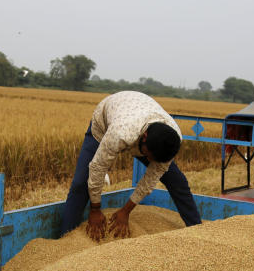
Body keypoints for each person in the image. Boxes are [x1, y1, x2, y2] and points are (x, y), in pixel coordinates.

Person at [61, 90, 202, 240]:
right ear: (145, 137)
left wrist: (126, 211)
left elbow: (150, 180)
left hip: (139, 118)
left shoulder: (172, 141)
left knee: (177, 181)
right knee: (80, 183)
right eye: (147, 156)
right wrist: (95, 209)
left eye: (153, 159)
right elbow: (98, 167)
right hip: (105, 123)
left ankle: (197, 230)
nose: (147, 160)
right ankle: (66, 237)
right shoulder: (120, 133)